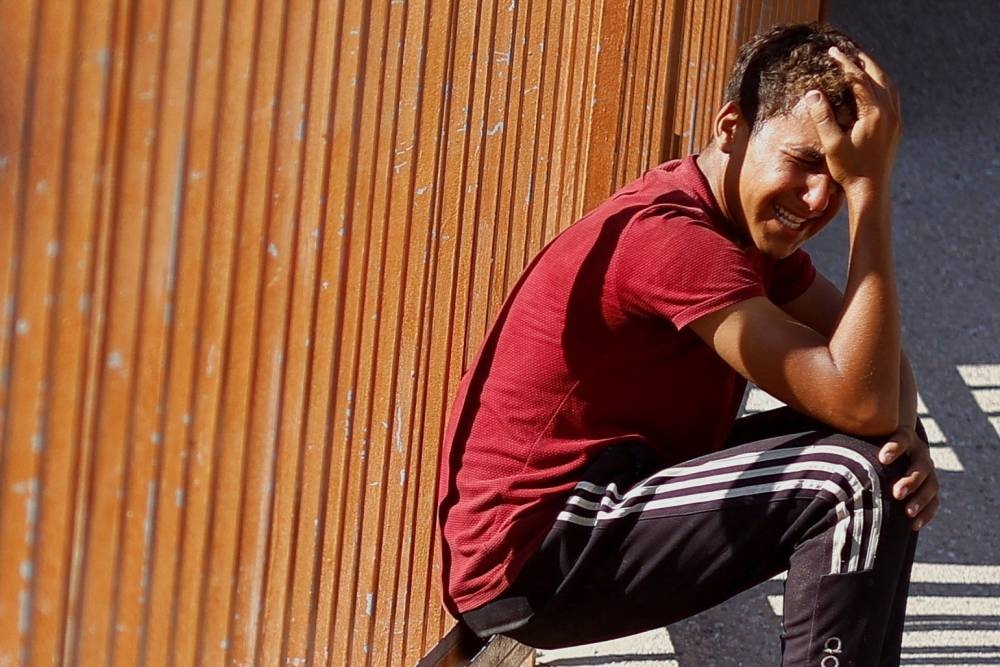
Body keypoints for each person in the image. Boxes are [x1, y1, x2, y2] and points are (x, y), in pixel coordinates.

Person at [436, 23, 939, 666]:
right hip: (538, 549)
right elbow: (862, 400)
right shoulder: (677, 242)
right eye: (806, 163)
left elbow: (879, 384)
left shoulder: (744, 230)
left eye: (841, 179)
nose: (818, 200)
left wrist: (906, 435)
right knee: (853, 480)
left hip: (612, 493)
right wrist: (872, 197)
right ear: (731, 128)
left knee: (880, 457)